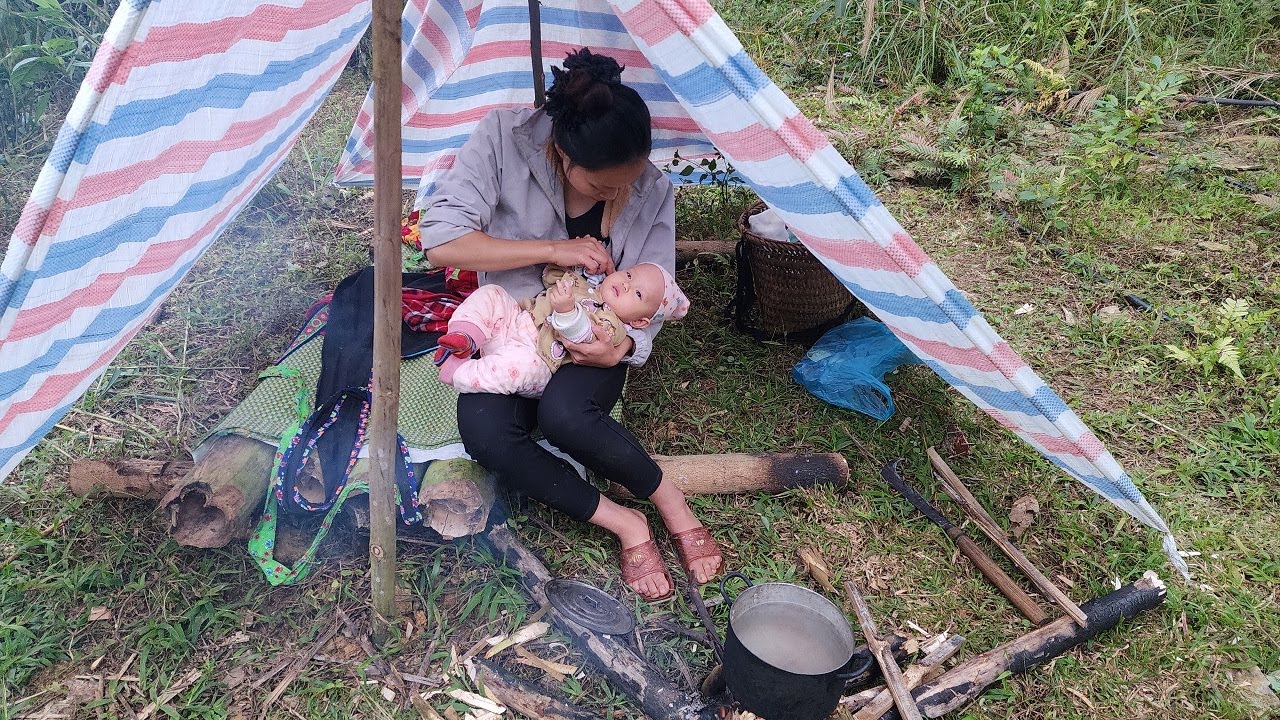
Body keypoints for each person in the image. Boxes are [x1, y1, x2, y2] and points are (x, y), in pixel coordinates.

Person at [417, 48, 722, 600]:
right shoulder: (502, 142)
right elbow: (442, 241)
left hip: (591, 331)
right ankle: (624, 523)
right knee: (485, 433)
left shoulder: (650, 187)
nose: (621, 195)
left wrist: (626, 344)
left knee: (564, 416)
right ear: (561, 154)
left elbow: (658, 286)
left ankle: (668, 501)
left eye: (629, 181)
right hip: (516, 329)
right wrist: (555, 247)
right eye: (605, 188)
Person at [434, 262, 690, 397]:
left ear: (640, 322)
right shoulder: (587, 284)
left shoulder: (614, 326)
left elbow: (582, 337)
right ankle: (467, 336)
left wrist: (567, 311)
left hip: (538, 357)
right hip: (519, 319)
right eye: (630, 275)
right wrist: (571, 267)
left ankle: (459, 372)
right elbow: (550, 276)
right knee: (492, 294)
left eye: (636, 293)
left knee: (514, 370)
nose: (625, 285)